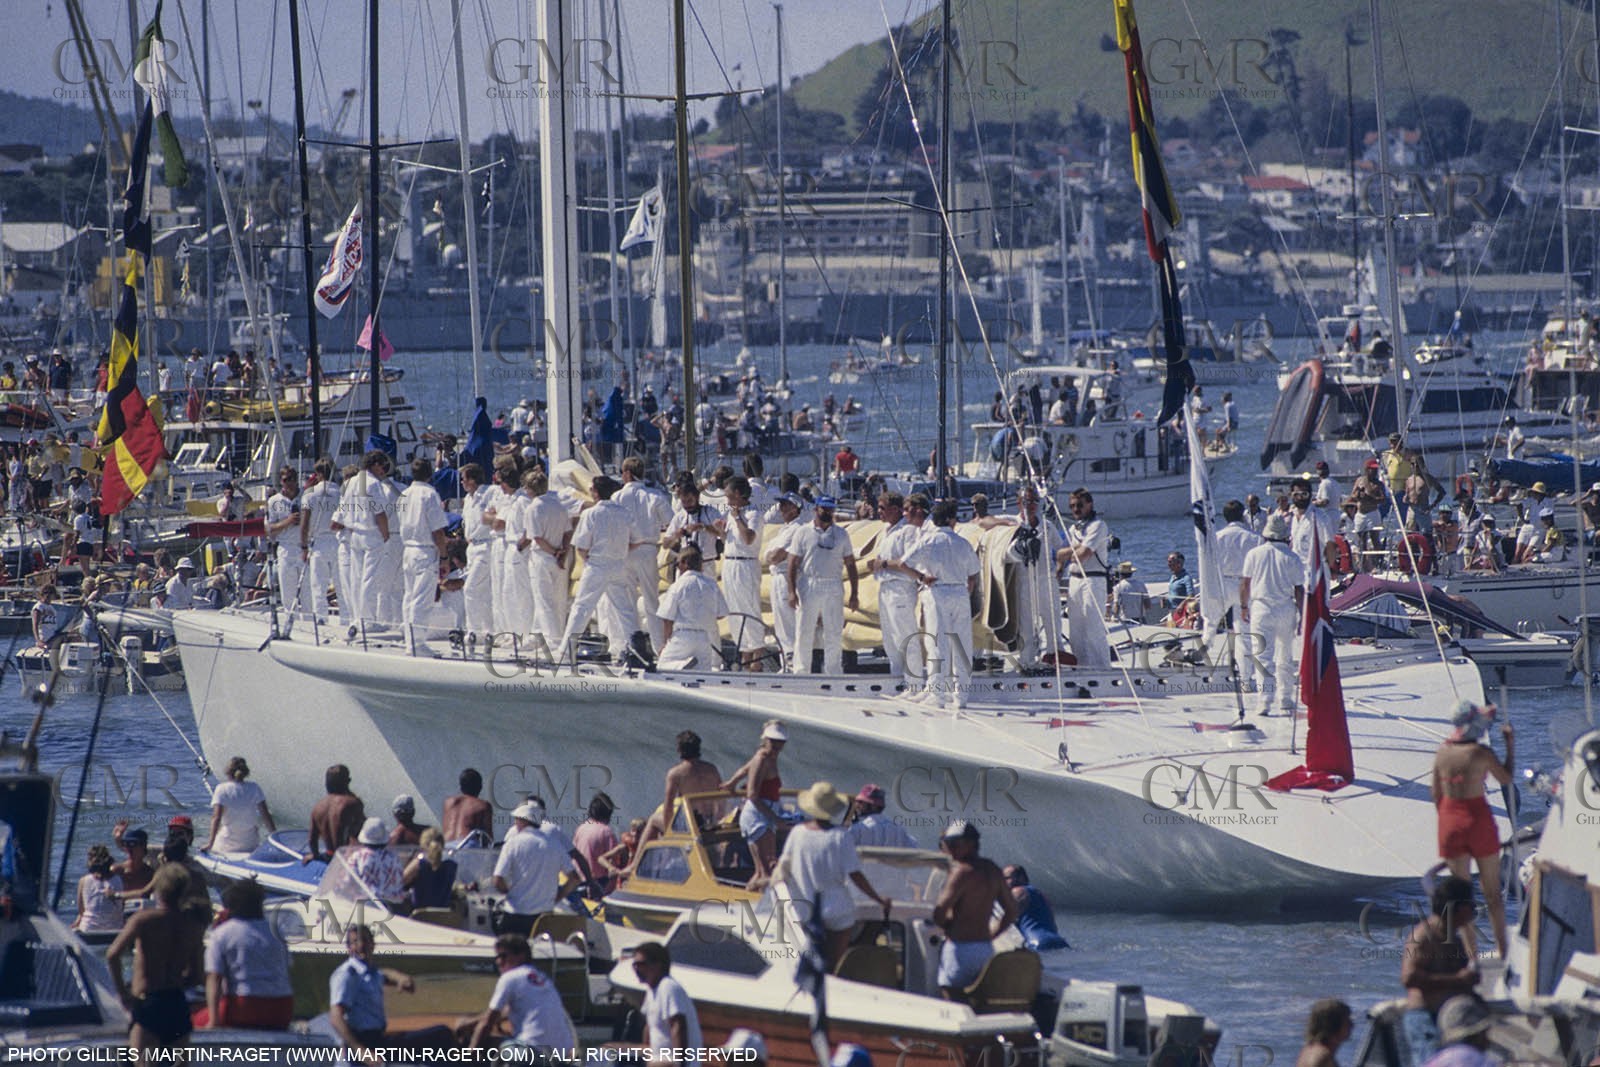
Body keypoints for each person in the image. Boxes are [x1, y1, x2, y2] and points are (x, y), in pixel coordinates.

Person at [769, 781, 892, 968]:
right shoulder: (841, 836)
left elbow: (784, 866)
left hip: (804, 908)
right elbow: (855, 875)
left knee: (803, 958)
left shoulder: (797, 832)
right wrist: (878, 899)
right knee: (832, 963)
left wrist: (767, 883)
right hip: (836, 911)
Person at [1433, 701, 1512, 958]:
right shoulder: (1481, 753)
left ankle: (1471, 953)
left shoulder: (1442, 752)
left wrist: (1447, 819)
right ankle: (1503, 950)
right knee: (1492, 893)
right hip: (1477, 819)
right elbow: (1506, 778)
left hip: (1449, 820)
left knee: (1460, 896)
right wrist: (1510, 744)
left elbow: (1436, 794)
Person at [106, 865, 203, 1053]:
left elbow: (113, 954)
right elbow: (197, 976)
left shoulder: (144, 920)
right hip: (176, 1002)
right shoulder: (193, 925)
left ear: (158, 888)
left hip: (148, 1000)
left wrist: (123, 994)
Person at [899, 500, 981, 707]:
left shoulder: (929, 541)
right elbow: (973, 574)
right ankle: (960, 696)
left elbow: (903, 563)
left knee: (937, 643)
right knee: (961, 644)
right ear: (952, 519)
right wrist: (967, 590)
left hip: (937, 591)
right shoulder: (963, 543)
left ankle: (937, 694)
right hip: (960, 592)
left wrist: (921, 577)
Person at [556, 475, 640, 665]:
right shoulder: (624, 513)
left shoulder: (591, 514)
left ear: (596, 492)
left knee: (582, 607)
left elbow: (581, 546)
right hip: (618, 564)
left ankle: (565, 651)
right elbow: (636, 541)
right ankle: (636, 648)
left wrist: (589, 560)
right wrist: (620, 552)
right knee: (625, 609)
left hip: (597, 565)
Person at [932, 820, 1016, 1001]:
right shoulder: (992, 870)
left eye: (954, 844)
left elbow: (939, 911)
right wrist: (993, 934)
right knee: (980, 998)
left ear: (970, 844)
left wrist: (947, 926)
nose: (950, 849)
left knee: (952, 998)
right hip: (985, 949)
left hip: (959, 948)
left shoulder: (961, 872)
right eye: (948, 844)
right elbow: (1012, 910)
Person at [1400, 876, 1480, 1064]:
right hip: (1425, 1020)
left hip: (1448, 1019)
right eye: (1472, 907)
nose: (1473, 913)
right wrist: (1458, 980)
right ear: (1460, 908)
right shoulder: (1424, 935)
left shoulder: (1454, 938)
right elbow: (1408, 977)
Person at [199, 878, 293, 1031]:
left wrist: (214, 1022)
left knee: (192, 1021)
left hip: (244, 1006)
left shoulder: (223, 934)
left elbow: (214, 978)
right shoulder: (276, 932)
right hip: (282, 1007)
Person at [464, 933, 578, 1052]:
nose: (498, 962)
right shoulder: (542, 978)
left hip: (531, 1050)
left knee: (485, 1042)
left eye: (503, 956)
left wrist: (469, 1054)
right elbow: (504, 1014)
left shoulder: (510, 977)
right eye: (497, 957)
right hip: (562, 1053)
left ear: (521, 956)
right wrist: (470, 1024)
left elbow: (487, 1024)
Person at [786, 496, 860, 675]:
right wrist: (791, 591)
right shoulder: (803, 532)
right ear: (816, 509)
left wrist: (854, 593)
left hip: (833, 583)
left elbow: (850, 563)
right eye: (824, 509)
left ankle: (833, 670)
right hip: (809, 583)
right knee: (805, 629)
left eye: (830, 509)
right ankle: (801, 670)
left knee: (833, 630)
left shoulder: (841, 534)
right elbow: (792, 562)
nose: (827, 513)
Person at [1239, 515, 1304, 716]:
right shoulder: (1292, 557)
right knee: (1285, 656)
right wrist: (1302, 615)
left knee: (1263, 656)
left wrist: (1243, 606)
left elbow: (1245, 584)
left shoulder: (1254, 554)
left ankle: (1265, 701)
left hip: (1261, 607)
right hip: (1286, 608)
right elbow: (1299, 589)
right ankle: (1285, 698)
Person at [871, 492, 930, 685]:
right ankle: (897, 679)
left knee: (906, 636)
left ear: (895, 509)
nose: (878, 512)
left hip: (900, 588)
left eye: (882, 508)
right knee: (890, 638)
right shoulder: (888, 531)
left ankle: (914, 683)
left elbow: (909, 562)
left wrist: (884, 564)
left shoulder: (908, 531)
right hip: (885, 587)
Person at [491, 800, 576, 934]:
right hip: (543, 918)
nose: (515, 823)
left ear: (522, 820)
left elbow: (497, 880)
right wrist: (556, 898)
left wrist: (509, 892)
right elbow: (574, 879)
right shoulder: (554, 845)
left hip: (515, 914)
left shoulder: (512, 843)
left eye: (516, 819)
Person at [635, 730, 724, 858]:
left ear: (679, 750)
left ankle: (634, 864)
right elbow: (721, 798)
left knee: (654, 820)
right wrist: (718, 821)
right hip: (710, 822)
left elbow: (668, 806)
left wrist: (668, 833)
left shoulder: (676, 773)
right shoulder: (711, 769)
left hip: (691, 825)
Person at [722, 720, 788, 887]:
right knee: (765, 873)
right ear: (765, 739)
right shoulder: (762, 758)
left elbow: (744, 770)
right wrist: (776, 819)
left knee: (763, 871)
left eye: (780, 742)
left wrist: (731, 783)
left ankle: (747, 902)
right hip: (758, 815)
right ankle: (755, 906)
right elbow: (752, 794)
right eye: (773, 741)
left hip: (765, 813)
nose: (777, 745)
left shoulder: (767, 757)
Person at [399, 457, 451, 652]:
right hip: (425, 550)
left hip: (408, 549)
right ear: (430, 475)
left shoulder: (403, 494)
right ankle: (417, 642)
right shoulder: (430, 495)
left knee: (409, 596)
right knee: (422, 599)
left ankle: (408, 639)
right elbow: (437, 530)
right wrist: (444, 557)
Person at [717, 476, 767, 670]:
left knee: (749, 608)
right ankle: (744, 656)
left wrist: (738, 518)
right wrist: (719, 532)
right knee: (734, 611)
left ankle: (758, 657)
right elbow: (730, 540)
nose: (727, 500)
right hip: (730, 563)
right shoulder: (731, 515)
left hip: (746, 565)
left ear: (738, 494)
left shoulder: (753, 514)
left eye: (729, 496)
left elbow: (748, 538)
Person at [655, 545, 728, 671]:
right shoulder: (712, 584)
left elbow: (667, 618)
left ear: (684, 563)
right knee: (703, 674)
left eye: (677, 564)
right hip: (704, 638)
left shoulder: (678, 585)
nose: (677, 567)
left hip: (683, 636)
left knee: (662, 667)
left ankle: (681, 666)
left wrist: (665, 643)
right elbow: (721, 614)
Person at [1060, 488, 1109, 667]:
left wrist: (1064, 554)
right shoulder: (1073, 529)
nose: (1075, 509)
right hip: (1074, 580)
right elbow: (1067, 555)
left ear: (1090, 504)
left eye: (1079, 505)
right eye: (1072, 506)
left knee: (1093, 627)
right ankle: (1082, 667)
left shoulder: (1098, 526)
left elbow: (1083, 554)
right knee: (1076, 630)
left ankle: (1102, 668)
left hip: (1092, 580)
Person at [631, 942, 702, 1052]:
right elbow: (649, 1027)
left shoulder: (668, 987)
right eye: (634, 965)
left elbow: (678, 1027)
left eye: (640, 964)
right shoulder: (652, 989)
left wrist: (678, 1062)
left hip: (672, 1061)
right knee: (606, 1050)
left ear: (658, 965)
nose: (636, 969)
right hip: (657, 1058)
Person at [763, 493, 806, 670]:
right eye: (781, 505)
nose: (781, 509)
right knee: (781, 623)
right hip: (778, 576)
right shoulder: (784, 529)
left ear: (795, 508)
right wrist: (773, 555)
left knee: (789, 623)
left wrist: (773, 555)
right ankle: (787, 663)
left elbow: (776, 556)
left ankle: (794, 664)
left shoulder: (797, 529)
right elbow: (769, 556)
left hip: (787, 577)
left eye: (786, 505)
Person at [201, 756, 275, 856]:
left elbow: (216, 818)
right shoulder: (254, 787)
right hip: (250, 845)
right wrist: (275, 837)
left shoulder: (221, 789)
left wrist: (210, 843)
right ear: (245, 772)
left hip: (226, 845)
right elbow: (266, 816)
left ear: (228, 772)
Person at [299, 457, 341, 623]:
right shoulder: (341, 492)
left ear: (318, 474)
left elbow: (304, 524)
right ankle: (345, 620)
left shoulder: (310, 494)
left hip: (318, 543)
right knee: (341, 585)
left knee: (318, 585)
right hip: (338, 541)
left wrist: (303, 547)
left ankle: (321, 620)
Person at [264, 467, 307, 616]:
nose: (288, 483)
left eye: (291, 479)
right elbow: (269, 529)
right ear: (281, 482)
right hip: (286, 548)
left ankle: (310, 625)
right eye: (285, 480)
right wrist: (287, 522)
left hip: (304, 548)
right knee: (288, 593)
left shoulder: (306, 497)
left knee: (308, 592)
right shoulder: (273, 501)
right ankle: (291, 624)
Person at [307, 763, 366, 861]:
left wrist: (316, 856)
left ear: (326, 784)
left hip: (329, 856)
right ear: (347, 782)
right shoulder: (352, 803)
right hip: (347, 858)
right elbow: (362, 832)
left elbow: (312, 840)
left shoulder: (318, 807)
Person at [1003, 864, 1069, 951]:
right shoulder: (1041, 895)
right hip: (1060, 942)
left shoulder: (1017, 892)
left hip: (1037, 943)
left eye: (1006, 878)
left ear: (1021, 878)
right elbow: (1054, 926)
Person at [347, 818, 408, 911]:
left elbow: (347, 882)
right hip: (394, 908)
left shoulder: (357, 857)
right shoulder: (394, 857)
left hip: (366, 908)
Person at [1423, 995, 1496, 1067]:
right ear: (1477, 1034)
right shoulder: (1474, 1059)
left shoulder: (1436, 1059)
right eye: (1485, 1033)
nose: (1488, 1040)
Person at [571, 793, 621, 896]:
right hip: (598, 882)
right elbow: (613, 861)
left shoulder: (581, 828)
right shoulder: (606, 832)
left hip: (578, 879)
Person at [403, 826, 459, 911]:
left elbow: (399, 882)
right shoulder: (452, 866)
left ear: (423, 844)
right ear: (443, 844)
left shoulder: (419, 863)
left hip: (420, 916)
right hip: (444, 917)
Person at [72, 844, 123, 934]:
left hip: (88, 930)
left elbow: (81, 911)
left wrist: (76, 923)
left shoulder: (83, 881)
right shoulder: (119, 879)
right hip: (114, 930)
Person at [845, 783, 915, 848]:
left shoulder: (857, 829)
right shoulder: (899, 830)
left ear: (873, 806)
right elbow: (914, 846)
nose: (857, 805)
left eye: (860, 802)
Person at [1295, 999, 1354, 1067]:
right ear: (1333, 1025)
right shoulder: (1323, 1059)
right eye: (1347, 1021)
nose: (1352, 1025)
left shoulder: (1309, 1050)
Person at [442, 768, 494, 844]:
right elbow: (488, 838)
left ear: (461, 786)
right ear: (479, 787)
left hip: (446, 846)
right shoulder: (483, 805)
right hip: (466, 846)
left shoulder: (448, 802)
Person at [111, 823, 156, 894]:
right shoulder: (117, 871)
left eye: (133, 844)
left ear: (143, 846)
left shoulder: (149, 873)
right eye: (126, 844)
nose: (129, 848)